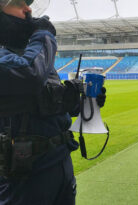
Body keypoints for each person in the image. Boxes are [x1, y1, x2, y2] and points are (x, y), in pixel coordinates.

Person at [0, 0, 106, 204]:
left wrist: (83, 102)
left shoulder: (32, 56)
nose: (28, 8)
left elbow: (52, 104)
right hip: (24, 177)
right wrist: (44, 35)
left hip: (59, 164)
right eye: (18, 3)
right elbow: (29, 76)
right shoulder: (24, 59)